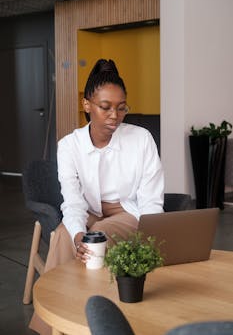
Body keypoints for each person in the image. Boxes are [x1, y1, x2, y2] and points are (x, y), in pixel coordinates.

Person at [29, 59, 164, 334]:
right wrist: (78, 232)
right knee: (66, 237)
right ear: (87, 105)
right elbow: (73, 201)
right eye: (105, 107)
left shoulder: (142, 139)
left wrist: (152, 236)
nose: (115, 114)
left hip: (128, 213)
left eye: (121, 107)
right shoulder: (69, 146)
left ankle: (90, 319)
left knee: (98, 236)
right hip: (88, 210)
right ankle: (49, 326)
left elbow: (151, 201)